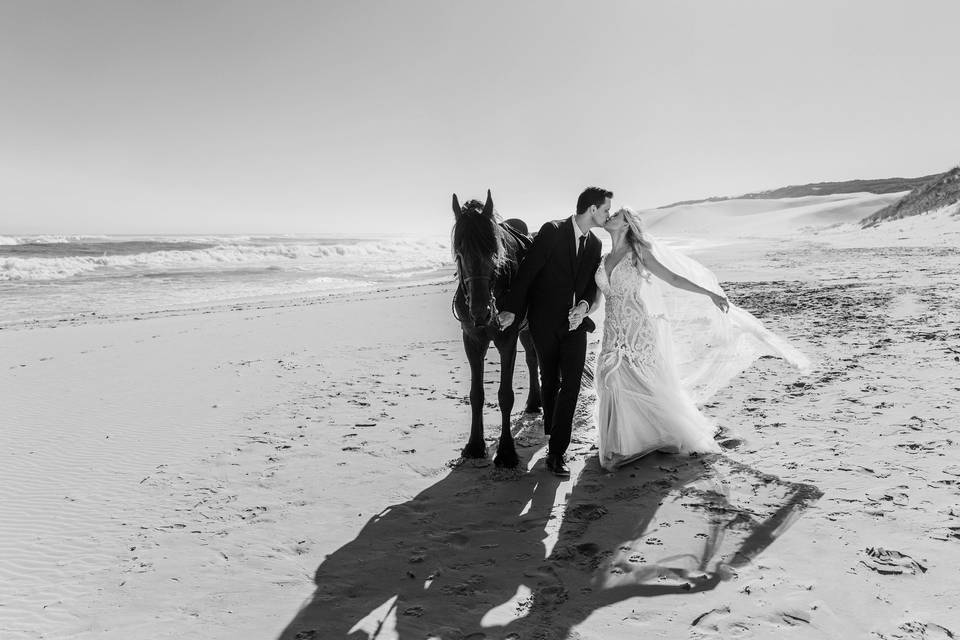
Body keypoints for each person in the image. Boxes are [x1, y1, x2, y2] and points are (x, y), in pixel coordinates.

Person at [593, 207, 811, 471]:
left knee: (628, 380)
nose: (609, 218)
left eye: (615, 216)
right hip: (612, 329)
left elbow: (673, 278)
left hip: (637, 328)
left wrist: (709, 293)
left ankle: (625, 446)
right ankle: (625, 440)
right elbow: (597, 299)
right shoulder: (604, 259)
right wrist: (580, 309)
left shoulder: (637, 254)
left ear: (626, 225)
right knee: (609, 379)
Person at [497, 187, 610, 477]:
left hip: (575, 326)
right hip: (544, 323)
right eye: (606, 209)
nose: (608, 214)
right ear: (592, 209)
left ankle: (557, 452)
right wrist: (512, 309)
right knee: (549, 380)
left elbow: (588, 287)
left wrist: (583, 306)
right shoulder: (552, 231)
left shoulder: (595, 244)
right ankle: (550, 432)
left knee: (571, 384)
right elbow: (528, 273)